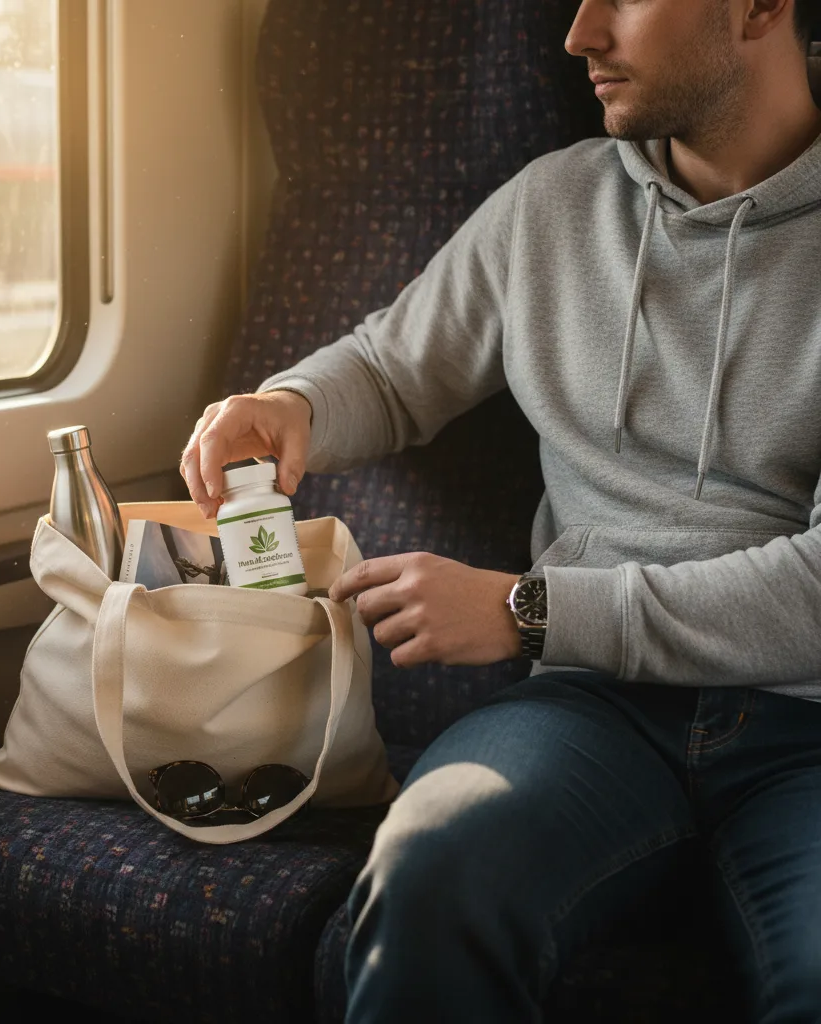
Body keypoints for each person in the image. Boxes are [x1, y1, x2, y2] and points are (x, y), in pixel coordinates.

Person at [181, 0, 821, 1018]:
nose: (576, 35)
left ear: (757, 5)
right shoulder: (553, 206)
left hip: (804, 718)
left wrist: (529, 611)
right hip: (593, 708)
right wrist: (287, 402)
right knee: (431, 868)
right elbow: (393, 368)